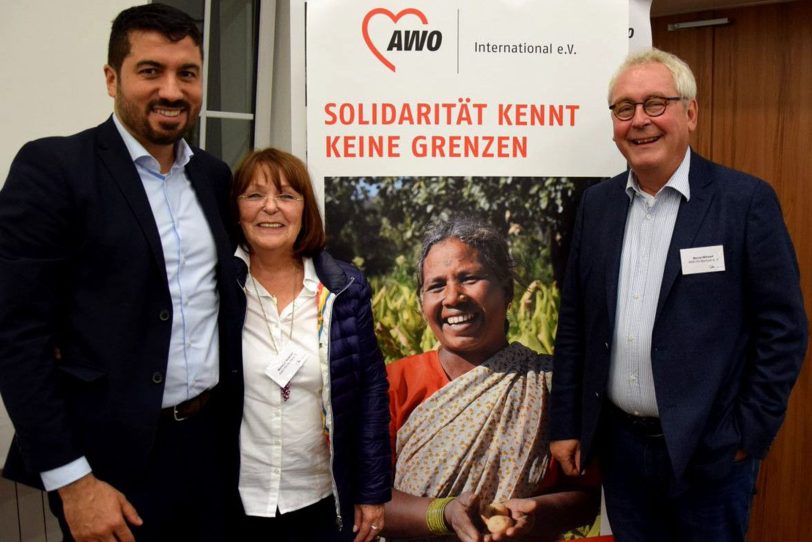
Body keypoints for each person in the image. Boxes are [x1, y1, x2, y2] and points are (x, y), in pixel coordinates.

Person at [0, 4, 241, 542]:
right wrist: (74, 483)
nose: (173, 91)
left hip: (210, 449)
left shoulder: (213, 177)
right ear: (112, 77)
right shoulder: (54, 170)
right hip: (109, 465)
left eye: (188, 73)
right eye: (150, 70)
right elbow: (16, 338)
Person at [549, 47, 808, 542]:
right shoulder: (597, 206)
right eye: (624, 108)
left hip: (710, 454)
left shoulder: (744, 202)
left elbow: (784, 329)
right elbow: (577, 323)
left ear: (690, 112)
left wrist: (747, 433)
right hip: (621, 450)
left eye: (655, 104)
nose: (639, 121)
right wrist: (567, 423)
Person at [383, 218, 599, 542]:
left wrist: (537, 514)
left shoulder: (554, 385)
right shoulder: (393, 384)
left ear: (507, 289)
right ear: (421, 301)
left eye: (469, 278)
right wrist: (442, 514)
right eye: (436, 285)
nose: (453, 297)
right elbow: (362, 496)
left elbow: (588, 494)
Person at [230, 147, 391, 542]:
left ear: (305, 210)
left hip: (321, 500)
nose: (271, 208)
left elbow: (371, 393)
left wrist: (371, 492)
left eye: (287, 196)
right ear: (236, 209)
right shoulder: (219, 287)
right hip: (232, 503)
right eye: (254, 195)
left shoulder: (343, 290)